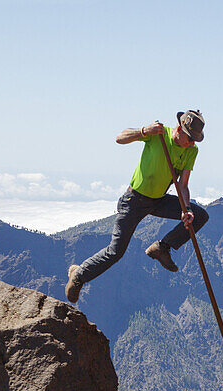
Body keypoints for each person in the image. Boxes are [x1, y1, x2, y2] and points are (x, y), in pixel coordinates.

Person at [66, 110, 208, 302]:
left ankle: (162, 248)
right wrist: (143, 131)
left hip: (158, 200)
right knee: (116, 252)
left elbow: (183, 185)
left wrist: (186, 209)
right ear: (179, 129)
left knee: (199, 215)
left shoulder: (191, 151)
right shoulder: (158, 135)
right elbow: (120, 138)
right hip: (134, 200)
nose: (192, 143)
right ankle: (79, 274)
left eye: (195, 140)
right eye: (190, 138)